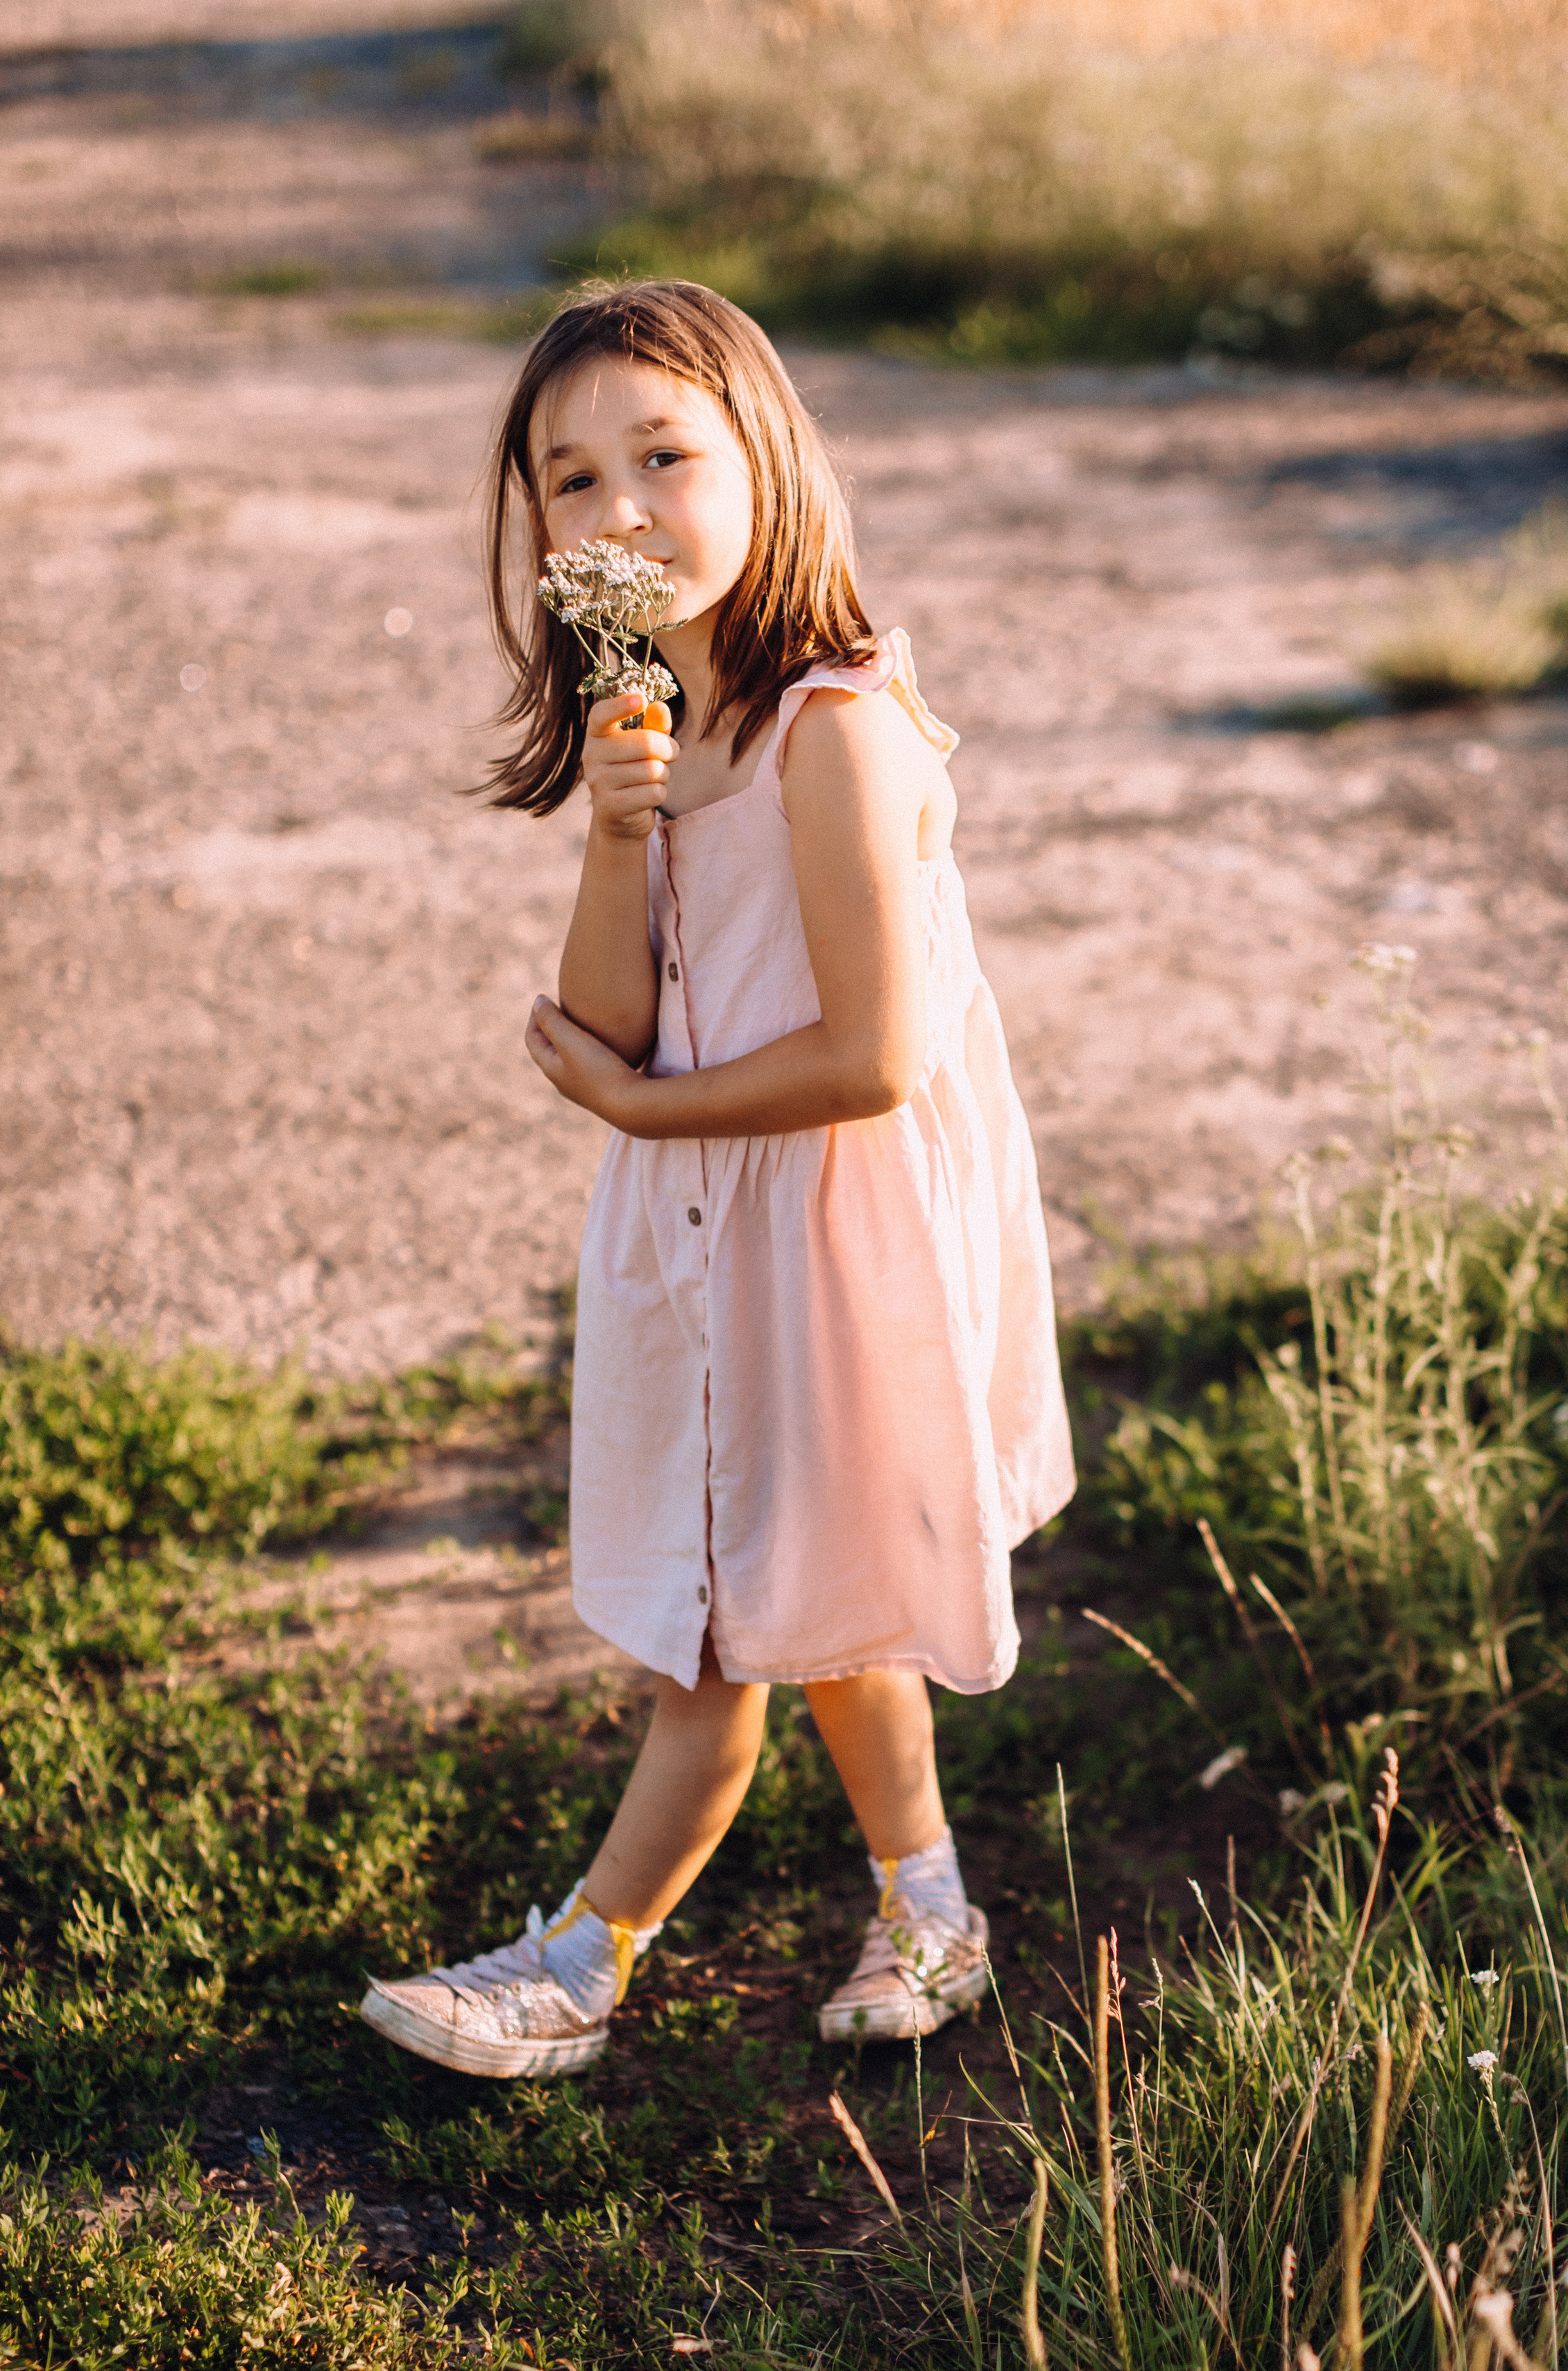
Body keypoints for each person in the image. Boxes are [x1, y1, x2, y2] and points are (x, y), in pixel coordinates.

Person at [361, 279, 1074, 2080]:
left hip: (824, 1224)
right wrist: (618, 822)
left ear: (768, 459)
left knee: (715, 1631)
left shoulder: (836, 728)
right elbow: (606, 1009)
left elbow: (874, 1059)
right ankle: (933, 1913)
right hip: (706, 1225)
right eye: (570, 480)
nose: (617, 512)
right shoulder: (663, 717)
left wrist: (640, 1110)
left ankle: (579, 1968)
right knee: (807, 1586)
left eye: (664, 457)